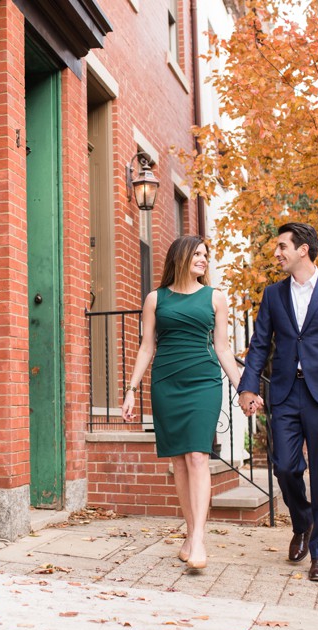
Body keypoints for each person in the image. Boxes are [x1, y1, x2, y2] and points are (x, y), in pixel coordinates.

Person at [238, 222, 318, 583]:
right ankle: (303, 522)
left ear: (303, 249)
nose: (277, 253)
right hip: (286, 394)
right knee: (285, 466)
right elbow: (260, 344)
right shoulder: (274, 295)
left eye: (282, 247)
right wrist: (248, 387)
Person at [121, 235, 243, 570]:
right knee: (178, 461)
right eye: (198, 254)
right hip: (166, 382)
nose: (203, 259)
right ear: (181, 257)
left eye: (206, 255)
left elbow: (222, 348)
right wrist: (131, 388)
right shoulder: (155, 299)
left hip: (203, 381)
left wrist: (243, 388)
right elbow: (147, 347)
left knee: (197, 457)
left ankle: (199, 539)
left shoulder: (215, 298)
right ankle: (190, 534)